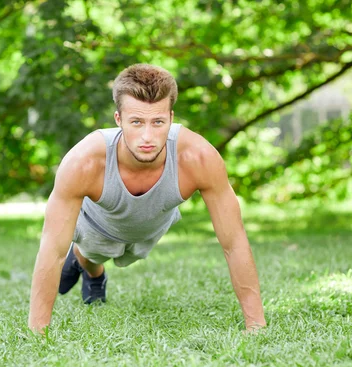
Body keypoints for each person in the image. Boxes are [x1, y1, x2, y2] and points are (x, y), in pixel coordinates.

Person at [28, 64, 266, 333]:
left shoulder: (198, 157)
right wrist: (38, 332)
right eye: (136, 122)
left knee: (129, 253)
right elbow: (52, 247)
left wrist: (256, 325)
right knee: (95, 250)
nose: (147, 137)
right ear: (118, 119)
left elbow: (234, 241)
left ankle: (86, 262)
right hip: (97, 224)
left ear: (171, 118)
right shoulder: (84, 161)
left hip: (151, 224)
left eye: (158, 122)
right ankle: (90, 268)